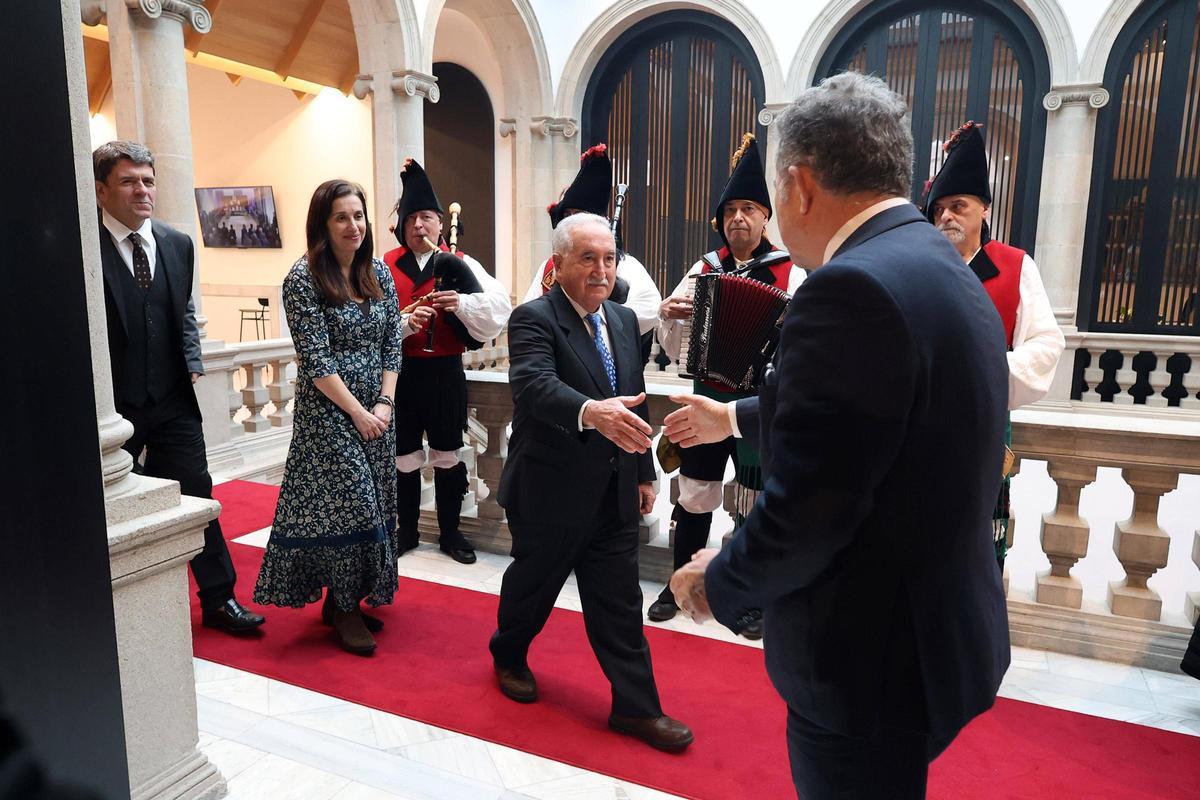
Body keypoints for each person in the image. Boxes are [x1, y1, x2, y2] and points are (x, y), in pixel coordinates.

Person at [665, 73, 1011, 798]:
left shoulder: (848, 287)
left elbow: (812, 507)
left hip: (867, 658)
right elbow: (877, 420)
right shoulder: (939, 263)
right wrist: (732, 416)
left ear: (796, 184)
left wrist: (718, 582)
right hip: (931, 633)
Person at [489, 213, 693, 753]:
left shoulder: (622, 319)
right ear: (558, 265)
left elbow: (634, 397)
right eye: (587, 259)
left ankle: (637, 709)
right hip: (549, 492)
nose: (601, 270)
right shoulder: (534, 318)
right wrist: (589, 412)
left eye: (608, 259)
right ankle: (508, 655)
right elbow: (534, 385)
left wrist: (643, 471)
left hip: (613, 492)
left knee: (620, 606)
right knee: (532, 589)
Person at [94, 140, 264, 636]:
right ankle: (115, 604)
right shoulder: (84, 246)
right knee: (113, 506)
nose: (142, 190)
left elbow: (184, 312)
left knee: (197, 493)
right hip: (113, 406)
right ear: (101, 191)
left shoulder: (176, 242)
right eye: (128, 181)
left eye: (148, 180)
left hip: (171, 399)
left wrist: (191, 360)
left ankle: (219, 599)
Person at [649, 133, 805, 636]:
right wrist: (668, 314)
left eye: (749, 209)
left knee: (754, 500)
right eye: (731, 211)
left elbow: (801, 341)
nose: (739, 218)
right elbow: (672, 338)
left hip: (760, 404)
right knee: (694, 493)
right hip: (707, 394)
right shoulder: (704, 268)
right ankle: (677, 585)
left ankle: (750, 595)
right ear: (720, 220)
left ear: (765, 218)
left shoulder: (791, 272)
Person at [252, 180, 402, 656]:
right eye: (341, 217)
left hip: (377, 410)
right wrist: (358, 413)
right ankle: (344, 608)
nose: (353, 226)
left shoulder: (378, 271)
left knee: (375, 501)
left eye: (358, 215)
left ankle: (343, 600)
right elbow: (316, 361)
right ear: (323, 223)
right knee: (351, 505)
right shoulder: (303, 278)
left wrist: (384, 404)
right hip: (330, 414)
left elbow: (392, 343)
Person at [925, 121, 1066, 571]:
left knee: (976, 551)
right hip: (918, 427)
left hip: (980, 426)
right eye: (939, 208)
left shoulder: (1015, 265)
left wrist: (982, 373)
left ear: (984, 209)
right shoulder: (918, 266)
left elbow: (1046, 343)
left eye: (958, 206)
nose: (947, 217)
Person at [383, 159, 511, 564]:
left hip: (446, 373)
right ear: (402, 226)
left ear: (440, 224)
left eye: (426, 217)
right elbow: (370, 323)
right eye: (411, 219)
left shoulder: (463, 263)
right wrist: (404, 323)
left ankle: (451, 533)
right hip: (399, 375)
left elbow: (498, 310)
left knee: (448, 455)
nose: (418, 225)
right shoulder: (384, 265)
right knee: (404, 456)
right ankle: (406, 530)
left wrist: (462, 303)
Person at [521, 144, 661, 339]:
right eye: (567, 215)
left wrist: (598, 322)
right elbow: (530, 316)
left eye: (579, 214)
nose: (572, 221)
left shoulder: (627, 267)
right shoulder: (549, 268)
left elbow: (650, 309)